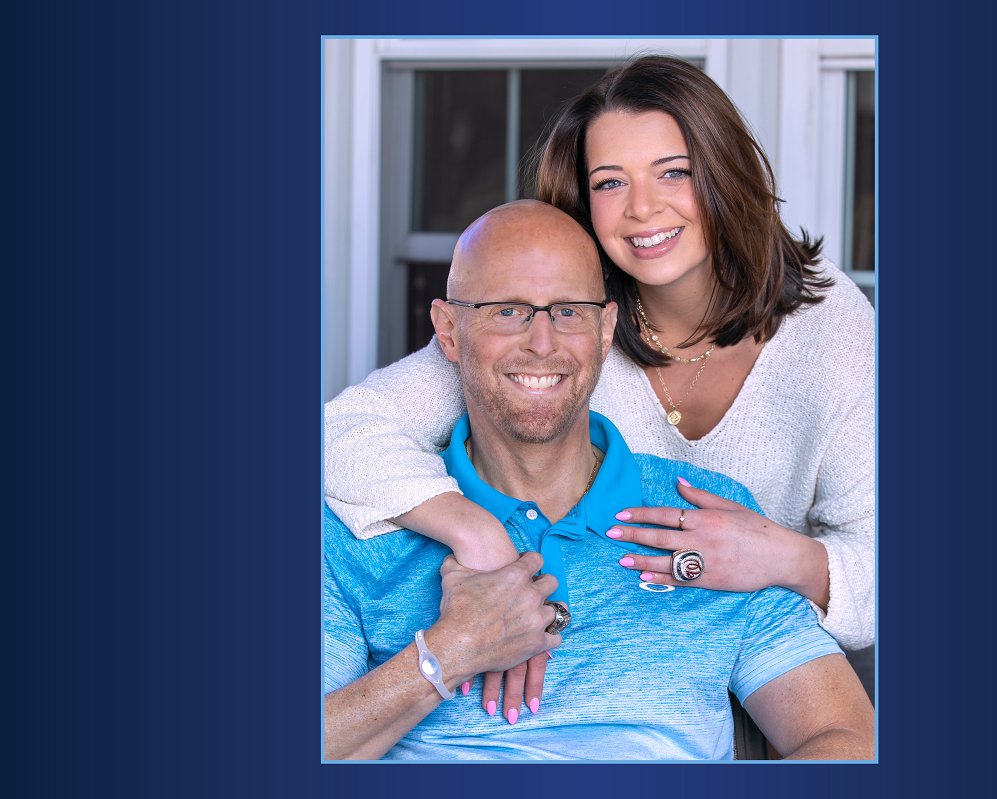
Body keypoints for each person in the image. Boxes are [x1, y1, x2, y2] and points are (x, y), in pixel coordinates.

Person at [325, 55, 874, 686]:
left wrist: (790, 559)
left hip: (765, 672)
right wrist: (477, 535)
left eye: (674, 173)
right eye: (611, 183)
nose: (643, 208)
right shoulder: (561, 325)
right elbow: (345, 430)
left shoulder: (828, 324)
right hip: (582, 664)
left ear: (725, 173)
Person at [323, 201, 875, 760]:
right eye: (507, 310)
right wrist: (449, 653)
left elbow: (846, 739)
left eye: (568, 310)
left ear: (605, 328)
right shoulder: (364, 520)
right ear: (448, 330)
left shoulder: (705, 520)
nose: (542, 342)